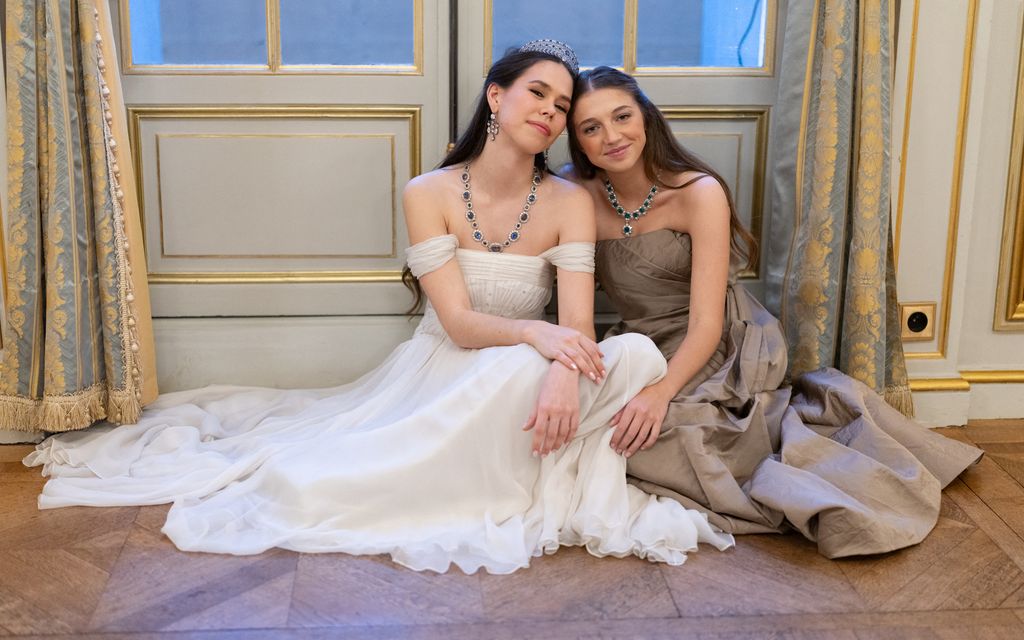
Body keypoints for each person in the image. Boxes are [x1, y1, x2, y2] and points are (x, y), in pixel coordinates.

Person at [24, 43, 733, 575]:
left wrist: (558, 361)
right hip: (456, 360)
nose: (549, 112)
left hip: (532, 362)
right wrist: (539, 340)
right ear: (495, 96)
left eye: (559, 106)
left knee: (632, 355)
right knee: (315, 479)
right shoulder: (427, 192)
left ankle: (519, 448)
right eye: (537, 95)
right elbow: (458, 323)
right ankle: (434, 471)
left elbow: (579, 325)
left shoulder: (571, 200)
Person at [564, 66, 982, 558]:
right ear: (577, 142)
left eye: (622, 116)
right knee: (604, 430)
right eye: (591, 128)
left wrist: (659, 395)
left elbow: (706, 322)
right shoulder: (574, 195)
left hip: (715, 341)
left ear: (646, 117)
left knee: (666, 431)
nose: (612, 136)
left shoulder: (697, 192)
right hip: (640, 340)